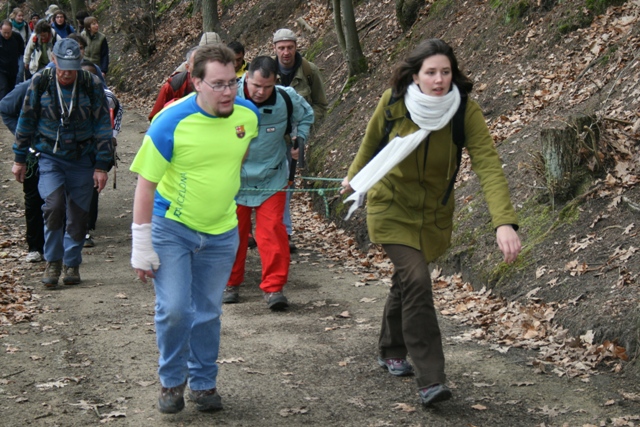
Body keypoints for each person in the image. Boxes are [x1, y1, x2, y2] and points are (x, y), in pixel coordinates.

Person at [341, 39, 521, 407]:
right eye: (431, 72)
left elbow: (488, 165)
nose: (439, 80)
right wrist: (354, 177)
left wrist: (504, 222)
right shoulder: (393, 103)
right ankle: (431, 379)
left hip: (433, 216)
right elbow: (371, 143)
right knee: (418, 280)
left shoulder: (463, 112)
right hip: (389, 205)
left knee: (407, 280)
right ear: (415, 75)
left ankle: (391, 348)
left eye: (445, 72)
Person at [130, 44, 259, 414]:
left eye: (233, 82)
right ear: (196, 82)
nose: (228, 92)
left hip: (221, 232)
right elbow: (145, 184)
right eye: (218, 84)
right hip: (172, 228)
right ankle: (172, 381)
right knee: (174, 310)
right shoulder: (169, 122)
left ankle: (203, 383)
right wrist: (141, 245)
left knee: (207, 311)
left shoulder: (247, 117)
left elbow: (239, 154)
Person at [12, 38, 113, 287]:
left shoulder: (91, 83)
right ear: (53, 60)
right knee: (54, 205)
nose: (66, 73)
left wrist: (101, 165)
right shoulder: (41, 81)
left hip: (82, 158)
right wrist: (19, 158)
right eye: (62, 66)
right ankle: (53, 260)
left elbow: (103, 125)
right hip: (50, 156)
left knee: (78, 216)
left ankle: (71, 263)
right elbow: (26, 119)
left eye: (72, 67)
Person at [222, 56, 314, 310]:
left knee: (273, 232)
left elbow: (306, 116)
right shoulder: (227, 96)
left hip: (271, 177)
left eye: (267, 87)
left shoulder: (287, 98)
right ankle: (230, 283)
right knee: (231, 235)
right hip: (233, 180)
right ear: (246, 78)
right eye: (256, 86)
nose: (261, 92)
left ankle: (274, 288)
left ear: (275, 82)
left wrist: (299, 138)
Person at [272, 28, 328, 251]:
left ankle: (284, 231)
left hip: (294, 140)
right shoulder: (266, 70)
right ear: (274, 49)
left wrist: (305, 128)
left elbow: (321, 104)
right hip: (269, 138)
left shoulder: (309, 71)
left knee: (288, 183)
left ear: (296, 47)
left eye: (290, 47)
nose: (286, 52)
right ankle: (268, 229)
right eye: (282, 48)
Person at [0, 78, 45, 262]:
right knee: (34, 198)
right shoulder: (33, 83)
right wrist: (22, 135)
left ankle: (64, 245)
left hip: (69, 154)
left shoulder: (85, 80)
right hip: (33, 153)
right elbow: (5, 107)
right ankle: (35, 246)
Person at [82, 60, 123, 247]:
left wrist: (112, 135)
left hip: (97, 150)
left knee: (92, 187)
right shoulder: (70, 96)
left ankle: (87, 227)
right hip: (75, 151)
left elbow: (117, 113)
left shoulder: (107, 96)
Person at [148, 46, 196, 121]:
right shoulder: (172, 86)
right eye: (197, 64)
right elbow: (155, 117)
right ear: (187, 67)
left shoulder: (217, 87)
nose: (202, 68)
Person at [0, 20, 24, 100]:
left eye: (8, 32)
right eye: (4, 33)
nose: (6, 35)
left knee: (11, 90)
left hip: (13, 69)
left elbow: (22, 52)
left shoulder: (16, 37)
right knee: (4, 87)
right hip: (1, 70)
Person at [10, 8, 30, 83]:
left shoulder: (25, 25)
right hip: (11, 51)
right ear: (14, 16)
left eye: (22, 16)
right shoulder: (10, 25)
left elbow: (29, 37)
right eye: (19, 16)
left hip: (22, 51)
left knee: (20, 72)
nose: (21, 17)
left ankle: (18, 88)